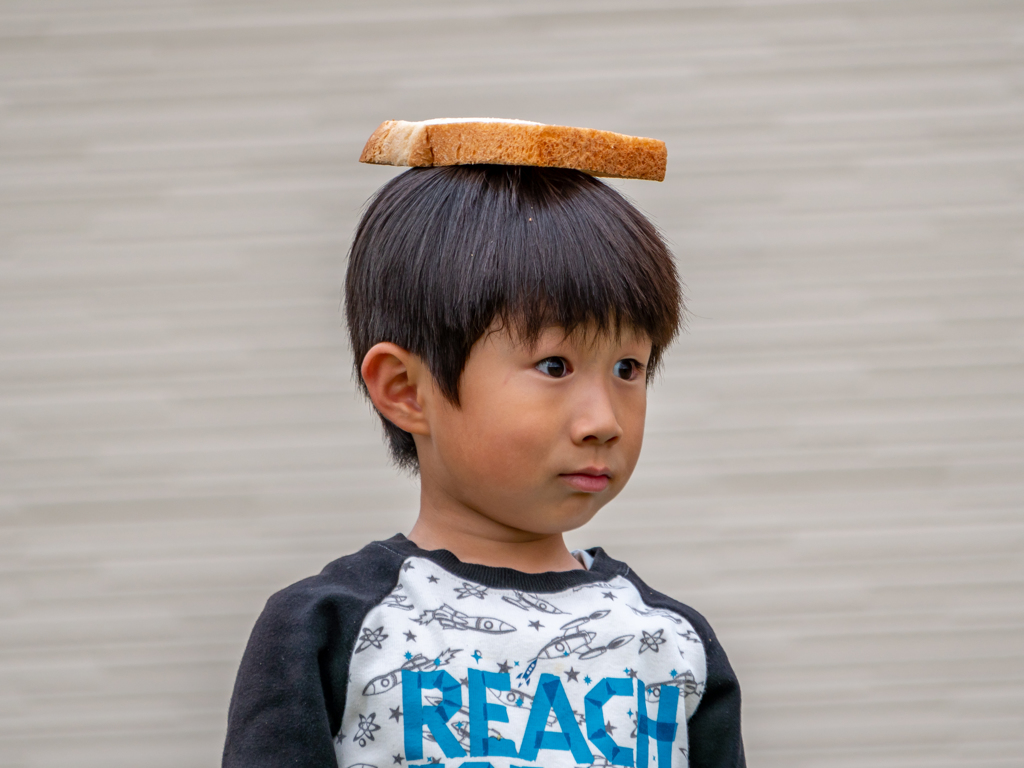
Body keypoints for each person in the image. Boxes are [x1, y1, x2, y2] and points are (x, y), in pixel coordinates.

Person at [223, 163, 745, 768]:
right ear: (407, 391)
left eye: (629, 368)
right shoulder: (329, 630)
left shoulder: (674, 642)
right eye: (555, 365)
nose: (604, 420)